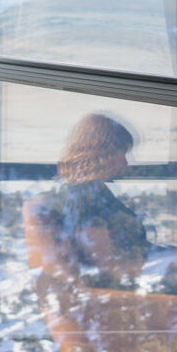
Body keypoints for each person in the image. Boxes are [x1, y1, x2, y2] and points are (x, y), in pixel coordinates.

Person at [30, 113, 148, 288]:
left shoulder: (95, 193)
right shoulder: (83, 201)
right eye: (121, 153)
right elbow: (107, 265)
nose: (125, 163)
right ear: (101, 155)